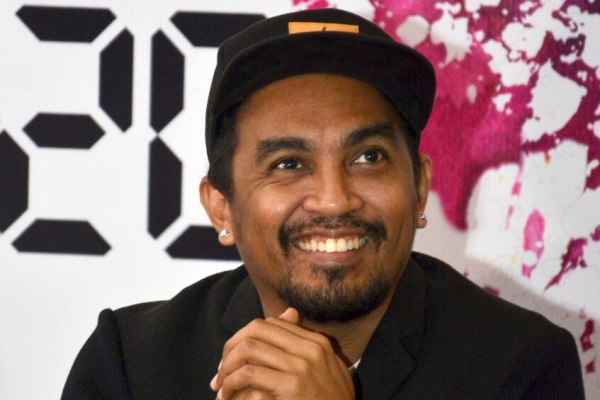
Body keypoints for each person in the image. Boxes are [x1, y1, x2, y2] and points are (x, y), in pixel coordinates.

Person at [62, 8, 585, 400]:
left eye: (369, 157)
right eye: (288, 163)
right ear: (221, 207)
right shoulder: (131, 365)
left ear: (419, 187)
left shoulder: (520, 367)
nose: (334, 199)